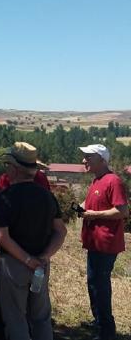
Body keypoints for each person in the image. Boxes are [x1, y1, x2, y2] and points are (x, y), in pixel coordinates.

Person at [0, 142, 67, 340]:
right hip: (41, 266)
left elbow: (2, 237)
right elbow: (60, 231)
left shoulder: (5, 198)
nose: (6, 169)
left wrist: (26, 260)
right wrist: (43, 257)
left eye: (8, 165)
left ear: (14, 169)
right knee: (41, 317)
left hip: (14, 265)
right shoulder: (47, 197)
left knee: (15, 318)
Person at [78, 144, 129, 340]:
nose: (84, 161)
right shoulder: (96, 181)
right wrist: (78, 208)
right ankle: (98, 320)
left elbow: (122, 211)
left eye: (88, 157)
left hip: (106, 244)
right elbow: (88, 205)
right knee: (93, 283)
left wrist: (94, 214)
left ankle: (106, 331)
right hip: (95, 242)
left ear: (101, 160)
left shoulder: (113, 181)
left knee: (100, 285)